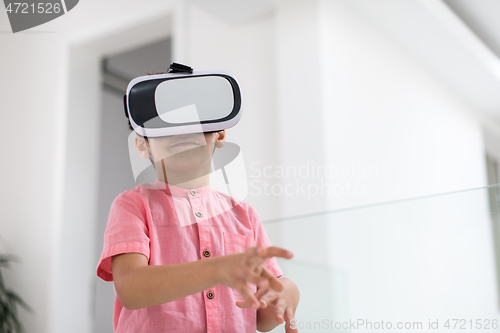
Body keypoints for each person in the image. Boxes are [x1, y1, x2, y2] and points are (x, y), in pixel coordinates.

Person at [96, 124, 300, 332]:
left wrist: (288, 292)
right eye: (165, 124)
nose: (183, 129)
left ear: (219, 134)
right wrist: (216, 269)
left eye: (197, 121)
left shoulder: (246, 215)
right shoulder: (132, 205)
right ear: (142, 144)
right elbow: (131, 289)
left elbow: (262, 318)